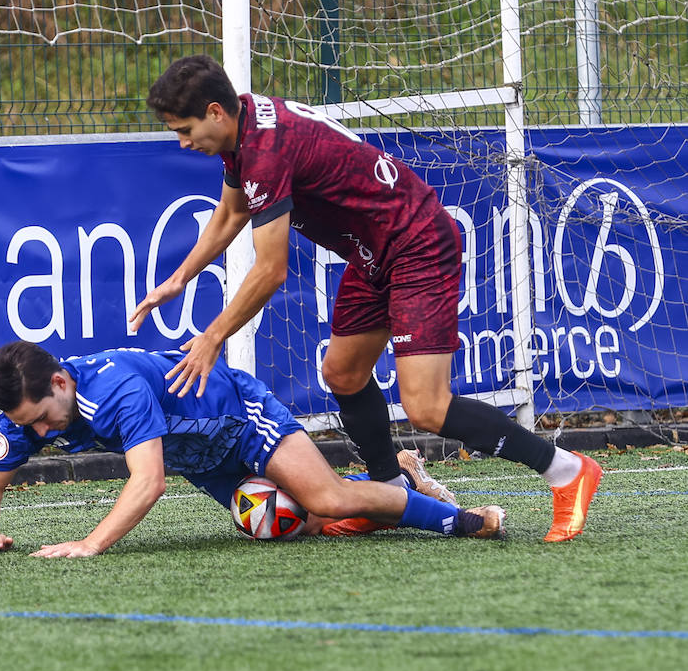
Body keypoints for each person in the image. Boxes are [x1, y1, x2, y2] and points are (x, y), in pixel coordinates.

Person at [130, 54, 601, 542]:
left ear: (214, 112)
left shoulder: (266, 152)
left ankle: (566, 470)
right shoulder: (243, 124)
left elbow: (270, 270)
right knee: (343, 372)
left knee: (426, 406)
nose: (184, 142)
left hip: (415, 242)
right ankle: (390, 491)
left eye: (185, 130)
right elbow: (230, 214)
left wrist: (212, 337)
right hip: (374, 252)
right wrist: (180, 278)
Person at [0, 341, 505, 557]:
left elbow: (148, 482)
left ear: (60, 383)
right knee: (284, 524)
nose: (38, 436)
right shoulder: (25, 414)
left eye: (40, 421)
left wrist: (90, 544)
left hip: (239, 419)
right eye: (26, 426)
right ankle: (401, 480)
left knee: (331, 499)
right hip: (203, 459)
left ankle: (458, 520)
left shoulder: (116, 391)